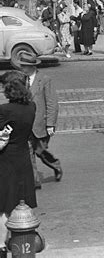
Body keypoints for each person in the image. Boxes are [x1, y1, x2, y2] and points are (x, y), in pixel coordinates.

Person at [0, 78, 37, 252]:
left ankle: (1, 244)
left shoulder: (4, 110)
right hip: (23, 157)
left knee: (4, 205)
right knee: (21, 200)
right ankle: (21, 241)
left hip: (6, 160)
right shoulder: (32, 107)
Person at [18, 52, 61, 188]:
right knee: (28, 152)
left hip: (40, 123)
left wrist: (50, 124)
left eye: (24, 66)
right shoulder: (20, 80)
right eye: (21, 65)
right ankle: (35, 181)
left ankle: (55, 165)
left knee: (40, 151)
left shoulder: (45, 79)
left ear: (32, 67)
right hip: (26, 124)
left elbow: (52, 103)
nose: (22, 68)